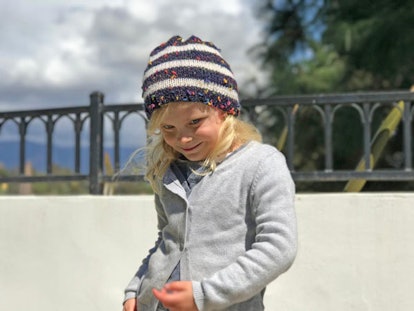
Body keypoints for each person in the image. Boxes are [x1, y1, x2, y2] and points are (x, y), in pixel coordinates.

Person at [123, 35, 297, 311]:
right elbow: (168, 240)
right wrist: (136, 288)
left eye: (195, 122)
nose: (183, 139)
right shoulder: (169, 171)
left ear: (224, 110)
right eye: (168, 129)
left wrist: (204, 295)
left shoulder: (261, 164)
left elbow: (278, 248)